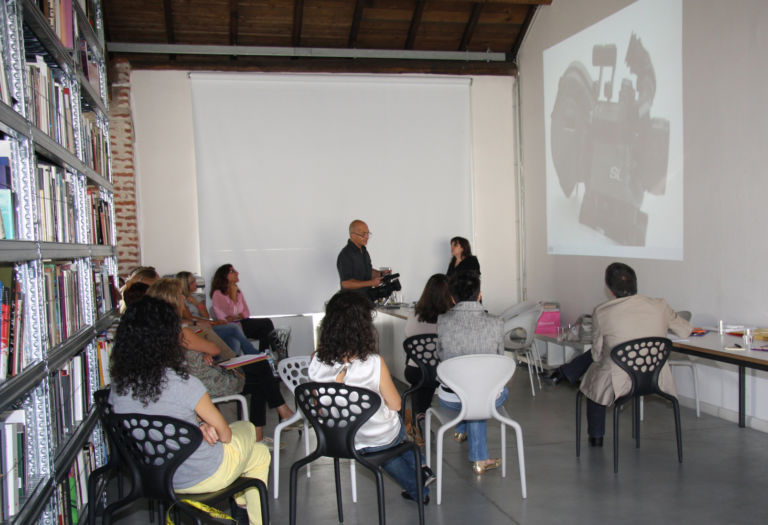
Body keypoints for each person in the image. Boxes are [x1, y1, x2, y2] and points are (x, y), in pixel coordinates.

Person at [108, 296, 271, 525]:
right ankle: (245, 511)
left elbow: (158, 423)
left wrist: (198, 425)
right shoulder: (183, 384)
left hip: (154, 477)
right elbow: (224, 435)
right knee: (249, 430)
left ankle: (243, 507)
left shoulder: (117, 389)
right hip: (204, 473)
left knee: (258, 454)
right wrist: (203, 425)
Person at [309, 290, 435, 504]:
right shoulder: (374, 363)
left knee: (389, 434)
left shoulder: (315, 360)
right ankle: (419, 478)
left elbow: (319, 407)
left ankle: (420, 467)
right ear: (364, 327)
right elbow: (395, 404)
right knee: (393, 427)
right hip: (375, 438)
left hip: (338, 439)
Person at [552, 262, 692, 447]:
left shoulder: (602, 312)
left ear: (610, 289)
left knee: (594, 378)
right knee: (600, 364)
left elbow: (596, 353)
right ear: (636, 284)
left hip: (620, 379)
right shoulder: (660, 305)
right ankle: (565, 372)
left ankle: (596, 436)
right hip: (654, 377)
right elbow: (685, 331)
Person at [151, 277, 296, 445]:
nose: (184, 298)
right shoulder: (182, 334)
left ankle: (271, 425)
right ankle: (277, 419)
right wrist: (205, 349)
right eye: (180, 296)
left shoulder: (160, 332)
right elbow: (215, 349)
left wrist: (202, 351)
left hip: (197, 378)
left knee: (260, 375)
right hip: (209, 382)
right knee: (261, 374)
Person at [436, 270, 505, 474]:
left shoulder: (443, 321)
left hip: (450, 397)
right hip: (487, 397)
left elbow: (441, 355)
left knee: (469, 388)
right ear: (479, 295)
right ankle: (480, 458)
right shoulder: (495, 323)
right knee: (481, 392)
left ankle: (461, 429)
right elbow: (500, 359)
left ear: (451, 298)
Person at [177, 270, 261, 356]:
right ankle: (252, 352)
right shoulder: (180, 299)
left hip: (207, 324)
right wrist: (212, 322)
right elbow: (189, 318)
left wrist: (197, 304)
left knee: (233, 340)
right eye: (192, 282)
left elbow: (206, 315)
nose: (196, 283)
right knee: (234, 328)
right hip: (197, 328)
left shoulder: (198, 297)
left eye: (194, 280)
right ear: (185, 286)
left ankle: (235, 364)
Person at [403, 274, 453, 418]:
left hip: (414, 371)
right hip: (440, 373)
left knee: (422, 377)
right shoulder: (450, 319)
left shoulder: (413, 315)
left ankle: (420, 416)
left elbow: (408, 337)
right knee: (431, 372)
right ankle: (422, 414)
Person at [210, 264, 283, 355]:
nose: (237, 273)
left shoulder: (238, 292)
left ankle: (264, 356)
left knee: (265, 330)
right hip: (231, 327)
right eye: (232, 271)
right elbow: (230, 312)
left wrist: (237, 316)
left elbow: (246, 313)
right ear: (224, 276)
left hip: (241, 322)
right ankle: (275, 351)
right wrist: (233, 297)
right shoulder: (218, 294)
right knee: (266, 323)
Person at [336, 219, 400, 302]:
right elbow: (346, 283)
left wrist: (380, 274)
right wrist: (371, 283)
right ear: (352, 236)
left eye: (368, 233)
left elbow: (367, 271)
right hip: (351, 303)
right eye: (363, 234)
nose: (367, 237)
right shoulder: (346, 255)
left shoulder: (364, 252)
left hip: (366, 300)